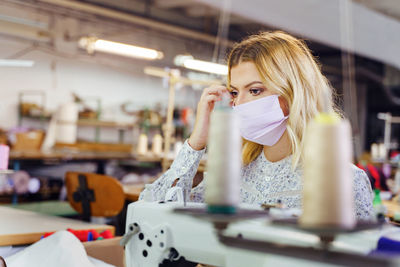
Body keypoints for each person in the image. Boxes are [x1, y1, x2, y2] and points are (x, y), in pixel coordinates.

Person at [140, 31, 373, 220]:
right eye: (233, 92)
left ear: (293, 92)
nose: (238, 104)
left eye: (254, 90)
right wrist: (196, 142)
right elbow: (152, 212)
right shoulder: (233, 172)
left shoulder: (343, 180)